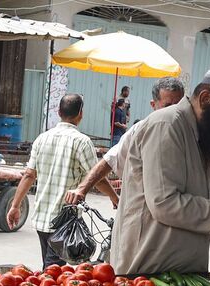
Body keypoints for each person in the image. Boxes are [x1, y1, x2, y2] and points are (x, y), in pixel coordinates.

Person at [109, 63, 210, 276]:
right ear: (206, 98)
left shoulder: (201, 134)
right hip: (146, 271)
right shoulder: (166, 125)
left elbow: (195, 203)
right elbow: (165, 203)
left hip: (179, 273)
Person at [6, 93, 117, 267]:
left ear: (58, 112)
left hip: (42, 218)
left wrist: (15, 206)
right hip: (64, 222)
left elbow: (28, 175)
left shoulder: (41, 138)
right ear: (81, 113)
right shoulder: (82, 141)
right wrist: (114, 197)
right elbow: (98, 178)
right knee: (52, 274)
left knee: (52, 268)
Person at [68, 77, 186, 205]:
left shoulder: (191, 133)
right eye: (168, 106)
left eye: (178, 106)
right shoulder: (140, 130)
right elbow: (110, 160)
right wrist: (82, 189)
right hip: (142, 211)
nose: (173, 112)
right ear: (153, 105)